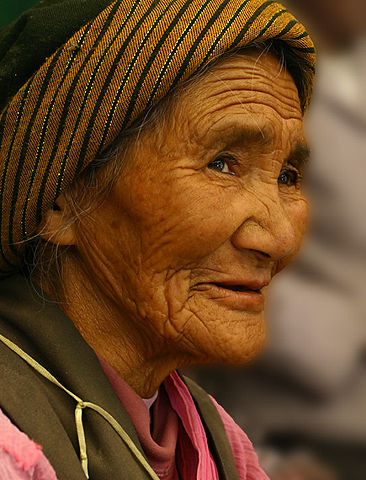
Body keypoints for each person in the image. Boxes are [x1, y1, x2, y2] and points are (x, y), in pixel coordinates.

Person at [0, 0, 315, 478]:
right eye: (222, 164)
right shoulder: (12, 444)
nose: (281, 237)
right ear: (60, 198)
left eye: (288, 176)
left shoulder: (212, 439)